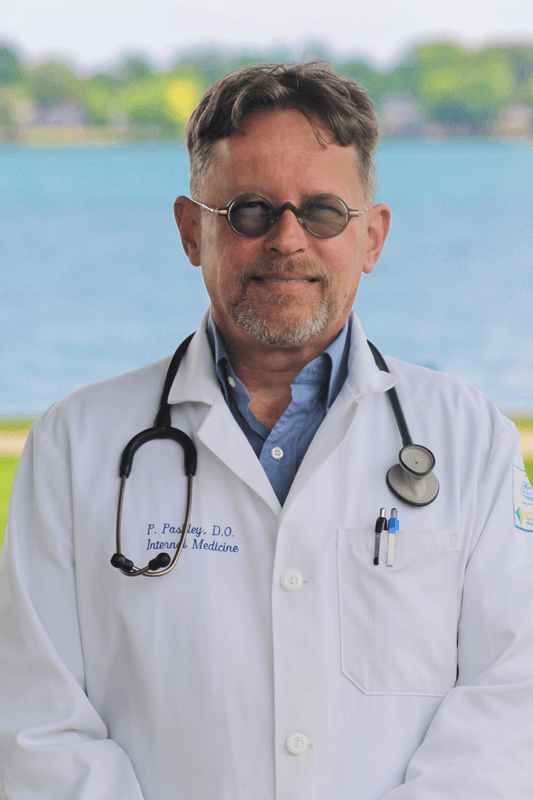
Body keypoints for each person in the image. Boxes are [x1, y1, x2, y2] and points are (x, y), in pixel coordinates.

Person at [1, 62, 532, 800]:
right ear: (192, 231)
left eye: (322, 212)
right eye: (249, 210)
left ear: (371, 238)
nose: (287, 239)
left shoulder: (471, 439)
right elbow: (35, 722)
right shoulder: (72, 445)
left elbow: (512, 701)